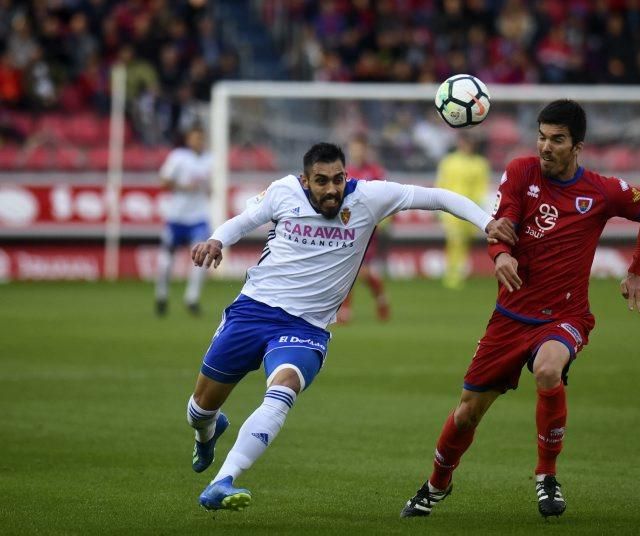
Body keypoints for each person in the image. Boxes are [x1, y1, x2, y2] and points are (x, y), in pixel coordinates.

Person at [186, 142, 517, 511]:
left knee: (283, 389)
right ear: (305, 180)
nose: (332, 189)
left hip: (307, 328)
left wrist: (487, 222)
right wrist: (217, 240)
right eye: (322, 181)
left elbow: (438, 197)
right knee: (200, 408)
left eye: (338, 179)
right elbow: (244, 220)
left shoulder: (369, 198)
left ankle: (223, 480)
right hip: (253, 312)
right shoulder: (283, 191)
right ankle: (206, 432)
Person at [399, 99, 640, 520]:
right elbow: (502, 222)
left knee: (547, 369)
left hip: (565, 315)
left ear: (578, 146)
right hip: (510, 316)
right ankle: (437, 484)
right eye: (542, 136)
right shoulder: (522, 171)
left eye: (557, 139)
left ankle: (546, 477)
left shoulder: (602, 191)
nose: (546, 146)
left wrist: (636, 271)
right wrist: (501, 254)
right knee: (467, 412)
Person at [155, 124, 212, 316]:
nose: (199, 142)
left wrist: (208, 189)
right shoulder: (178, 157)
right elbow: (163, 181)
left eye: (201, 138)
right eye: (196, 138)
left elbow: (212, 188)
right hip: (176, 218)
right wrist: (184, 186)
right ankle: (161, 296)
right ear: (189, 140)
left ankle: (192, 299)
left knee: (201, 259)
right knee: (166, 261)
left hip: (198, 218)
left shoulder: (210, 160)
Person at [338, 133, 390, 322]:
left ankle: (381, 298)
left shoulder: (376, 172)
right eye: (353, 149)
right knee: (346, 268)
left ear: (366, 150)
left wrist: (383, 221)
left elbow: (387, 198)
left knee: (364, 272)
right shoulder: (345, 172)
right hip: (347, 228)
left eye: (359, 148)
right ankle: (345, 310)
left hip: (368, 227)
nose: (356, 152)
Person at [436, 133, 491, 289]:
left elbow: (482, 188)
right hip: (451, 208)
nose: (466, 145)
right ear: (459, 143)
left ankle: (459, 271)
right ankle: (452, 275)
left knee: (464, 243)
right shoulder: (449, 161)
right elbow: (441, 182)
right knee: (455, 241)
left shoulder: (480, 164)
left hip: (471, 209)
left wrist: (480, 207)